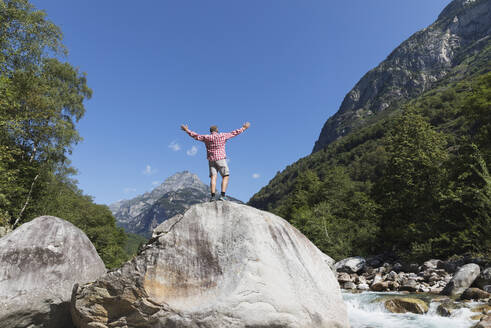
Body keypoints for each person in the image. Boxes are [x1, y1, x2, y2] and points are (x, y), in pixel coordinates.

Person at [181, 122, 250, 201]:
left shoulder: (206, 137)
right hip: (221, 159)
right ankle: (222, 195)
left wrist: (187, 130)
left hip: (211, 160)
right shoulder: (222, 135)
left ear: (210, 131)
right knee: (225, 176)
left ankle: (213, 196)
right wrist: (243, 128)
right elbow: (234, 133)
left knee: (213, 177)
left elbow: (196, 136)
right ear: (217, 130)